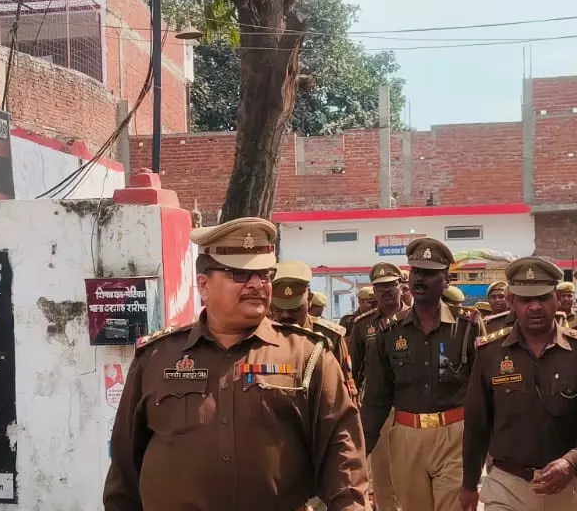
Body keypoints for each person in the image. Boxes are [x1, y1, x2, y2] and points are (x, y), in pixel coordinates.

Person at [104, 217, 369, 510]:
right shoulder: (156, 358)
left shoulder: (308, 355)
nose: (257, 284)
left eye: (264, 274)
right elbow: (124, 466)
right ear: (204, 285)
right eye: (239, 274)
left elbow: (342, 453)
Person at [461, 257, 577, 511]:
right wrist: (469, 484)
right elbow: (476, 424)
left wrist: (573, 461)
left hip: (571, 486)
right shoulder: (490, 352)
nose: (535, 307)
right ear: (512, 301)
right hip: (507, 485)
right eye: (526, 300)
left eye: (543, 298)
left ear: (556, 299)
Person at [362, 238, 486, 511]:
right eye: (416, 271)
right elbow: (376, 397)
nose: (420, 279)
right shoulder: (389, 332)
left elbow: (485, 392)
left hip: (455, 436)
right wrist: (361, 450)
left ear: (446, 280)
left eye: (429, 274)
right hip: (407, 437)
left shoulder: (468, 326)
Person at [349, 263, 408, 511]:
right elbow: (353, 371)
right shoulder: (363, 326)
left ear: (401, 287)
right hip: (378, 410)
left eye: (391, 285)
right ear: (373, 291)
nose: (386, 291)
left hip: (412, 407)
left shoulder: (416, 319)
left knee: (412, 476)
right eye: (380, 287)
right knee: (383, 478)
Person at [272, 260, 357, 401]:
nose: (286, 315)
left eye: (295, 309)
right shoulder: (261, 335)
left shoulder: (330, 336)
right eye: (279, 309)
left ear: (309, 300)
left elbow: (346, 388)